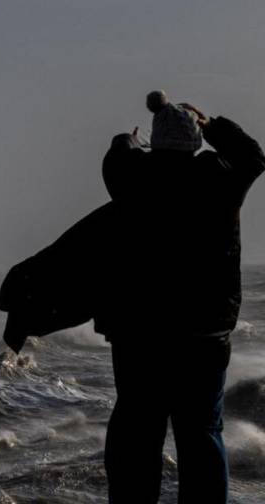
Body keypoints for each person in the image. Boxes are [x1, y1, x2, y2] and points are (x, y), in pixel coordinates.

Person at [98, 91, 265, 504]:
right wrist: (212, 125)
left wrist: (130, 139)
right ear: (195, 140)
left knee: (137, 434)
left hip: (140, 337)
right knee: (201, 435)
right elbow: (253, 157)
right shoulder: (222, 179)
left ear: (155, 142)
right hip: (204, 337)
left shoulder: (131, 177)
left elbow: (118, 155)